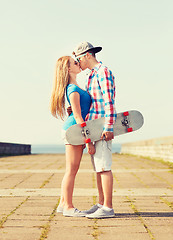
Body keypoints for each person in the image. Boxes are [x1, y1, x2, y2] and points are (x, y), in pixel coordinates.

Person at [72, 41, 116, 218]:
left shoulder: (103, 72)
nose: (78, 63)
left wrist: (109, 126)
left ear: (87, 56)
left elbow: (108, 101)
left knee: (104, 167)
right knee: (98, 168)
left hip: (102, 127)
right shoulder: (91, 76)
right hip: (93, 127)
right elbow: (93, 104)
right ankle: (101, 203)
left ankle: (108, 207)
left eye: (79, 59)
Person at [50, 56, 95, 217]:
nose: (79, 63)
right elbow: (78, 117)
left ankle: (63, 204)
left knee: (72, 169)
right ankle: (69, 207)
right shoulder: (73, 89)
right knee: (71, 170)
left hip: (74, 130)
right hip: (73, 130)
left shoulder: (75, 87)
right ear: (68, 69)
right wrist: (88, 140)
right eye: (75, 63)